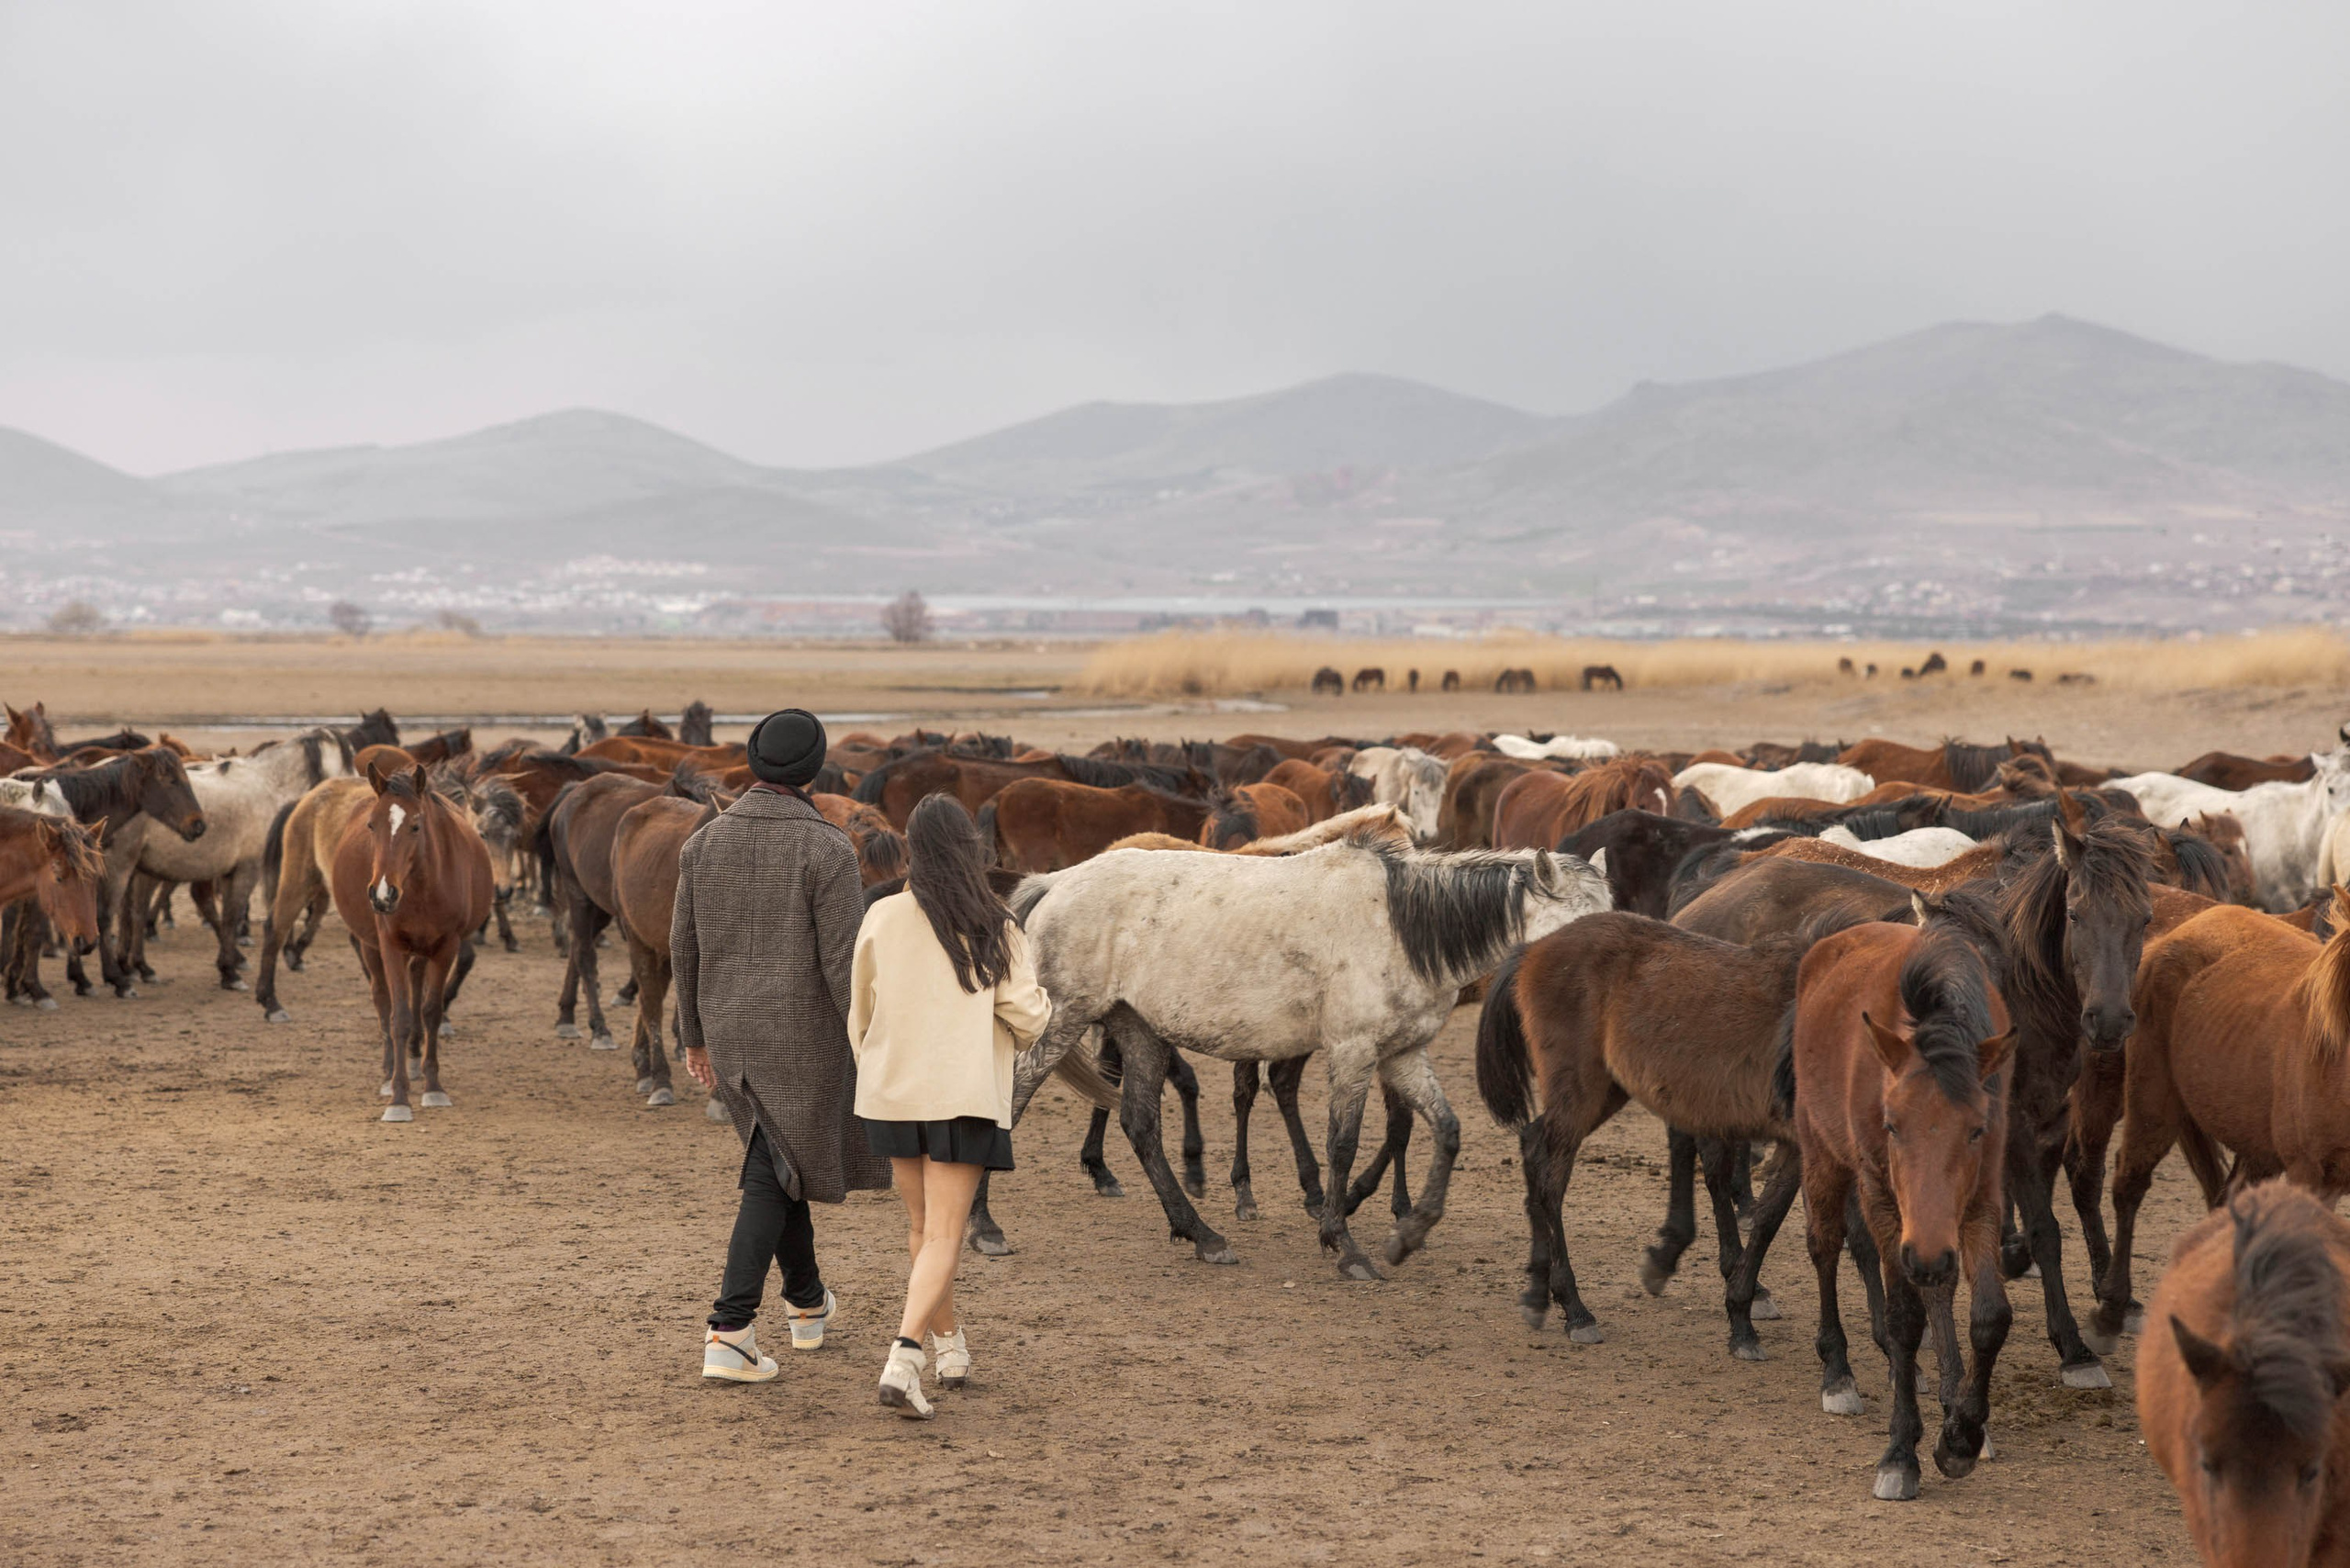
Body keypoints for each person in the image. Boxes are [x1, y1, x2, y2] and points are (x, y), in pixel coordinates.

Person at [676, 708, 892, 1383]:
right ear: (813, 770)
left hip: (731, 1036)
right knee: (772, 1173)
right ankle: (730, 1328)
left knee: (780, 1161)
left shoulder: (704, 843)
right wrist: (874, 1037)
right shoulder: (826, 848)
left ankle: (807, 1303)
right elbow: (842, 965)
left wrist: (695, 1037)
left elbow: (684, 948)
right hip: (806, 1041)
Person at [848, 793, 1051, 1418]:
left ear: (912, 847)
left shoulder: (882, 916)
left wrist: (877, 1068)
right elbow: (1025, 1017)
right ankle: (905, 1356)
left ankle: (949, 1344)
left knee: (921, 1232)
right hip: (961, 1094)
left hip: (893, 1091)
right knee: (945, 1233)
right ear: (969, 849)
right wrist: (1040, 1004)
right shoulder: (995, 925)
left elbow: (860, 1012)